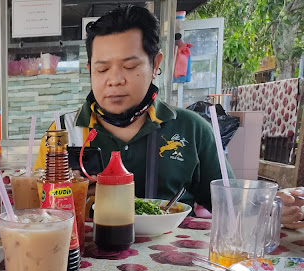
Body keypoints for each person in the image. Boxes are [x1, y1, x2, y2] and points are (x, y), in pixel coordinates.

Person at [35, 5, 232, 212]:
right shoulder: (61, 132)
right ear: (90, 70)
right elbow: (37, 211)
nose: (115, 80)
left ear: (155, 65)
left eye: (129, 67)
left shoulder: (192, 130)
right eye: (102, 69)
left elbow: (232, 211)